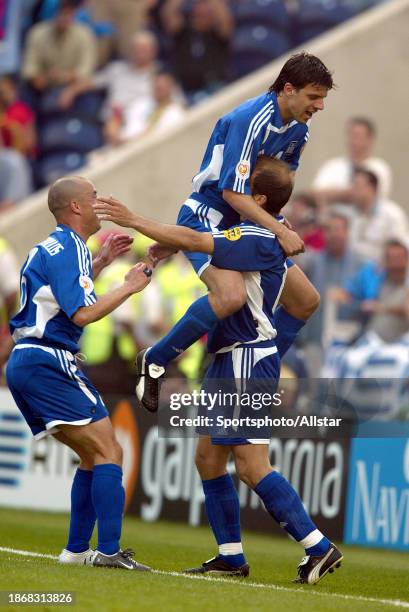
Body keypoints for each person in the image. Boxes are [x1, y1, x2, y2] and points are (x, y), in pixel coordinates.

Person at [95, 156, 343, 585]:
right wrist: (272, 349)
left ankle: (318, 547)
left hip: (245, 357)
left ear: (259, 199)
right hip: (234, 355)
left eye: (245, 190)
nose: (236, 192)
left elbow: (197, 237)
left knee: (251, 466)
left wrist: (134, 219)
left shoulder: (257, 236)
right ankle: (230, 555)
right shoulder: (266, 235)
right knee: (208, 456)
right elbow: (303, 301)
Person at [130, 51, 333, 412]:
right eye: (313, 97)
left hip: (248, 224)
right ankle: (156, 360)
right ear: (288, 89)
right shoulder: (250, 119)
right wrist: (280, 231)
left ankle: (255, 377)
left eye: (322, 99)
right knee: (230, 297)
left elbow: (273, 191)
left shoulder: (299, 129)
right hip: (207, 217)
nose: (319, 106)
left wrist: (277, 223)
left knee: (306, 301)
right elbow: (232, 192)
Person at [6, 176, 152, 571]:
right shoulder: (70, 248)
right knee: (110, 451)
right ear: (75, 208)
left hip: (29, 358)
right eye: (93, 197)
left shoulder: (54, 246)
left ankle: (75, 551)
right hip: (49, 358)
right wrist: (129, 287)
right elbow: (82, 313)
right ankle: (107, 551)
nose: (100, 202)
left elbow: (62, 298)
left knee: (92, 455)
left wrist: (101, 262)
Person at [312, 116, 392, 204]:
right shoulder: (332, 166)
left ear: (370, 140)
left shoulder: (379, 168)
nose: (353, 141)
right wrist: (344, 193)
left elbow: (378, 198)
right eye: (351, 135)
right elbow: (315, 194)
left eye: (358, 136)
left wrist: (335, 194)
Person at [22, 0, 97, 92]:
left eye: (67, 14)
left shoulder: (84, 34)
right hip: (43, 87)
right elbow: (29, 66)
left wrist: (67, 79)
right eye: (60, 14)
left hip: (72, 87)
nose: (63, 18)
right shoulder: (37, 33)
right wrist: (36, 78)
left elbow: (85, 71)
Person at [348, 167, 408, 262]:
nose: (353, 190)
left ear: (372, 188)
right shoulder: (349, 214)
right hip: (354, 269)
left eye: (357, 186)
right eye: (352, 186)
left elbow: (400, 248)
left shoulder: (392, 214)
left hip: (382, 270)